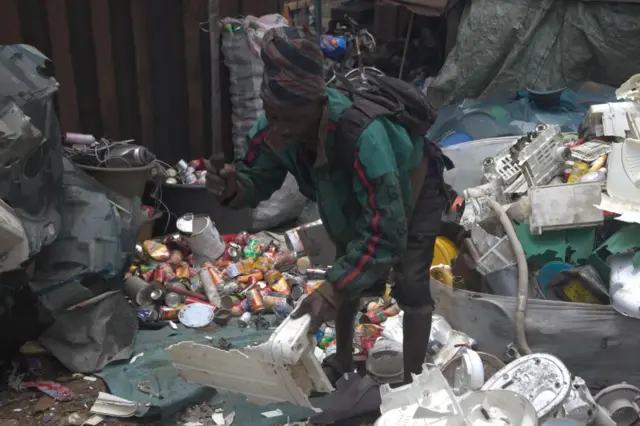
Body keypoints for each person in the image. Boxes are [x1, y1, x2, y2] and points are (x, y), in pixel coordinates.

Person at [206, 26, 451, 386]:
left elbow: (386, 231)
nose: (281, 128)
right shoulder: (275, 127)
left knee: (411, 281)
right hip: (352, 191)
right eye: (273, 114)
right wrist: (233, 187)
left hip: (412, 183)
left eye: (290, 117)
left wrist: (334, 288)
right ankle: (343, 363)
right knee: (346, 267)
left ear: (319, 104)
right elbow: (257, 178)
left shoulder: (363, 136)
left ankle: (414, 384)